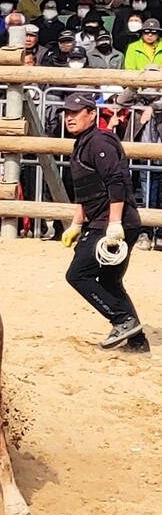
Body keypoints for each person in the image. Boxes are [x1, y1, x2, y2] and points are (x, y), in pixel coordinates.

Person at [59, 92, 148, 353]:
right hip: (101, 220)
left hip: (112, 222)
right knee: (109, 281)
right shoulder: (82, 143)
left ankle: (121, 319)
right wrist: (76, 224)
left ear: (90, 114)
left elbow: (116, 183)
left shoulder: (100, 142)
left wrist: (114, 224)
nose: (69, 118)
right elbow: (84, 190)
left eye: (75, 113)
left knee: (78, 274)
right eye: (67, 114)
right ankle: (137, 342)